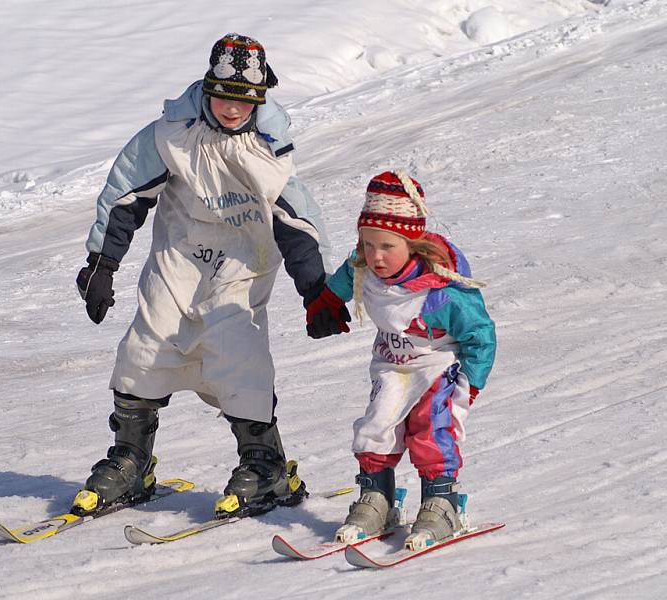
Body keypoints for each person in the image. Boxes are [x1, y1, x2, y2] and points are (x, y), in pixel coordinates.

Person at [72, 33, 340, 518]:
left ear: (259, 98)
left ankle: (266, 467)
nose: (232, 109)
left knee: (237, 354)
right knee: (144, 347)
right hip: (178, 257)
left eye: (244, 100)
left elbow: (298, 222)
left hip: (241, 261)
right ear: (207, 87)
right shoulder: (171, 134)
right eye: (222, 96)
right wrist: (102, 263)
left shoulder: (268, 149)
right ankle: (132, 460)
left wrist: (316, 289)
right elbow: (124, 194)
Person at [305, 170, 496, 548]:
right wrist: (324, 303)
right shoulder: (363, 267)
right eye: (368, 244)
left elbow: (481, 335)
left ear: (412, 244)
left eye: (387, 246)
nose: (375, 256)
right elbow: (342, 280)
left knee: (431, 429)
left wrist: (469, 384)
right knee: (376, 425)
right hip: (392, 364)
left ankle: (442, 502)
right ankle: (379, 499)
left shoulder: (442, 292)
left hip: (438, 366)